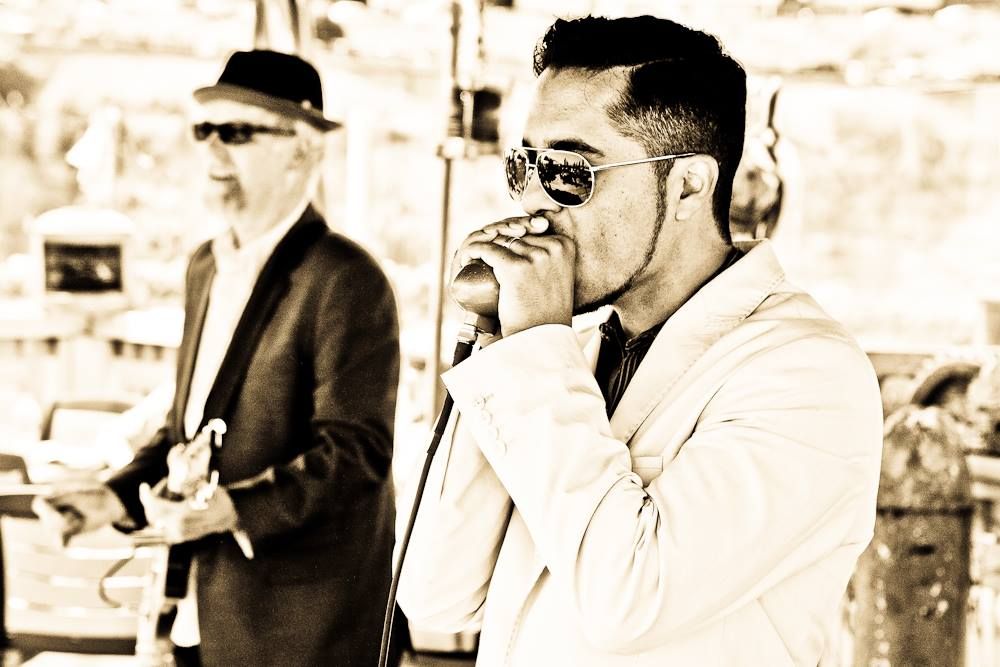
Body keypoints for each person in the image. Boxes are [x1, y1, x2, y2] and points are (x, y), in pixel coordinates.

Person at [395, 16, 883, 666]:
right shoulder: (568, 358)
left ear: (687, 185)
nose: (535, 201)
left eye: (569, 171)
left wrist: (535, 349)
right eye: (524, 166)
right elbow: (435, 591)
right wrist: (501, 345)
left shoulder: (808, 374)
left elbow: (627, 598)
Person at [35, 50, 401, 667]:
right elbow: (190, 430)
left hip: (302, 630)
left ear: (303, 151)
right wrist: (113, 498)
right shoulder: (205, 265)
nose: (212, 148)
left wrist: (232, 509)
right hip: (203, 614)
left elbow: (355, 454)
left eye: (237, 132)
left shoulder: (348, 279)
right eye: (204, 129)